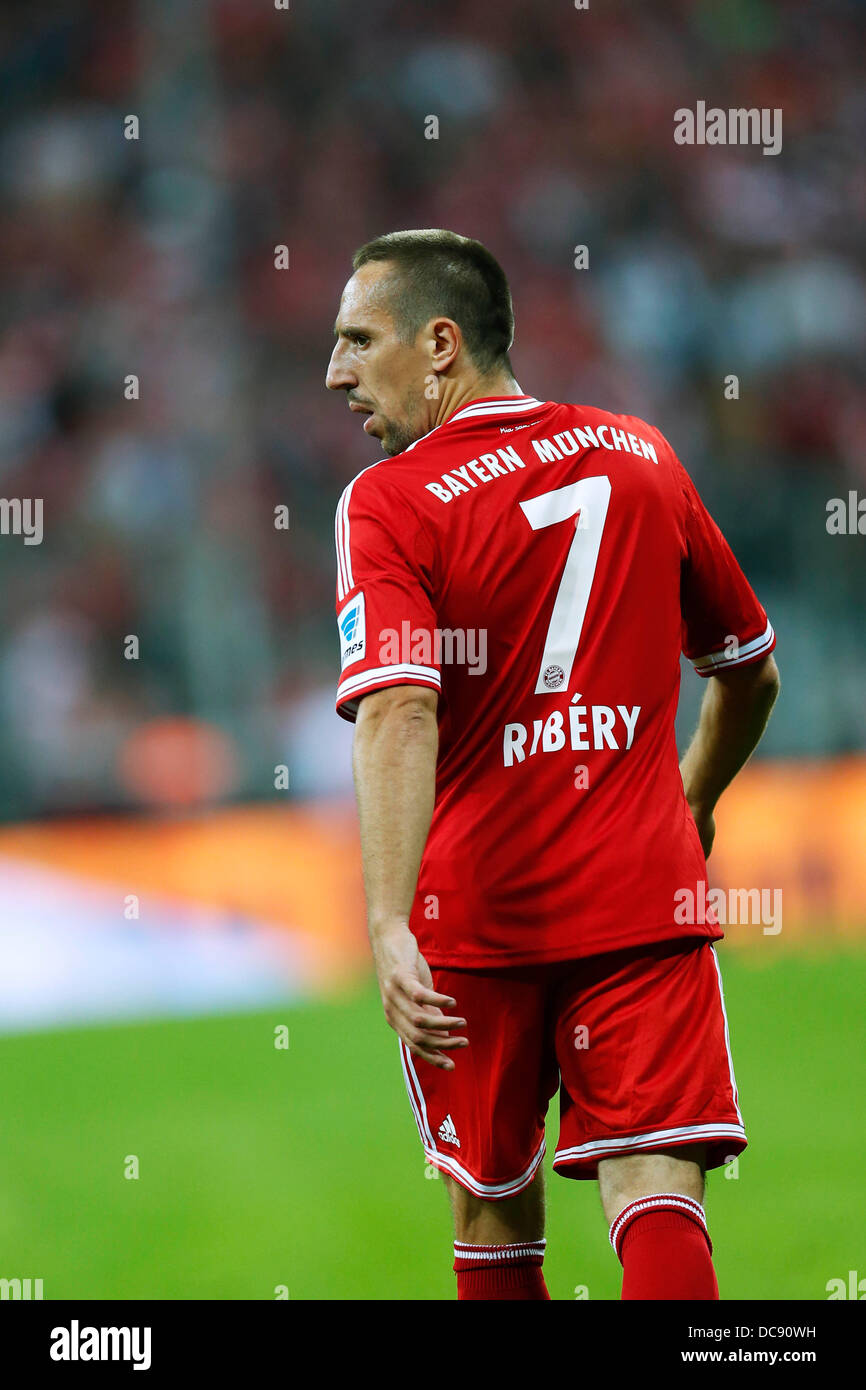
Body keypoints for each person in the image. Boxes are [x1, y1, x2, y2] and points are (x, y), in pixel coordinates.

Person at [326, 229, 780, 1300]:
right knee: (654, 1184)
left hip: (473, 922)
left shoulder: (387, 499)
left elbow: (397, 703)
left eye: (356, 340)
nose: (335, 372)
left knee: (491, 1207)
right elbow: (747, 669)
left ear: (439, 344)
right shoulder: (640, 455)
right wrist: (690, 799)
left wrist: (386, 918)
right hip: (639, 892)